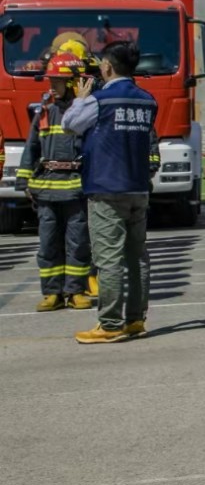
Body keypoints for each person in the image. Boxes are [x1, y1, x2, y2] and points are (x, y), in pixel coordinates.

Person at [62, 41, 157, 344]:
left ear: (108, 67)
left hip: (106, 187)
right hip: (138, 186)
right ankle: (135, 318)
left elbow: (69, 125)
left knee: (109, 258)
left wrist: (79, 99)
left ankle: (111, 322)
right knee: (137, 256)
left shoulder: (99, 100)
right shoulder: (148, 100)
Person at [20, 53, 94, 311]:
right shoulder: (45, 113)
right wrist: (24, 180)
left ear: (75, 82)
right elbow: (31, 147)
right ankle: (52, 292)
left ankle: (75, 291)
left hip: (75, 189)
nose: (52, 85)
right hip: (47, 190)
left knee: (78, 243)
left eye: (58, 80)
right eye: (51, 79)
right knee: (48, 243)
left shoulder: (85, 114)